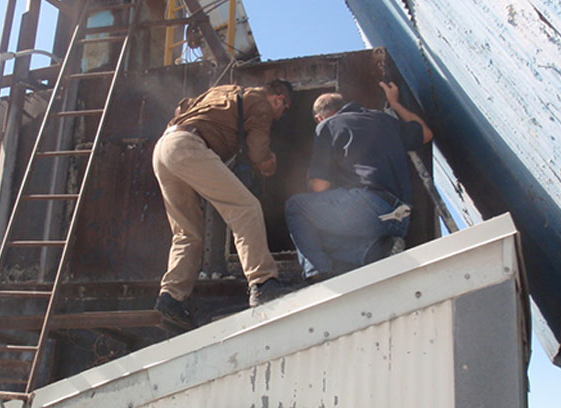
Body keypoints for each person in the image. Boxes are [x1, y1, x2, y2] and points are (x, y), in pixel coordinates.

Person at [152, 79, 294, 329]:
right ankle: (263, 283)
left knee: (186, 233)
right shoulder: (260, 103)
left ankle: (171, 298)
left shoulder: (224, 91)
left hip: (164, 147)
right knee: (246, 208)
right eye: (285, 109)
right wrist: (268, 164)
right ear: (279, 98)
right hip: (189, 147)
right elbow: (258, 152)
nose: (282, 116)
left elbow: (182, 108)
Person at [285, 81, 433, 283]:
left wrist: (310, 179)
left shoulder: (327, 126)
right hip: (400, 218)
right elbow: (426, 134)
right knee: (315, 239)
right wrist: (395, 104)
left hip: (368, 208)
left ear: (320, 117)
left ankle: (316, 275)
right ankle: (375, 252)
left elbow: (321, 186)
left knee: (297, 208)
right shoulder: (383, 120)